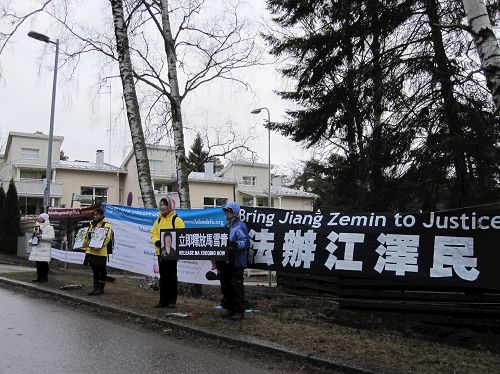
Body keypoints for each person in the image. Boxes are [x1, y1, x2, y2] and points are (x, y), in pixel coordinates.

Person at [217, 202, 250, 321]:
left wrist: (234, 244)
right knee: (226, 286)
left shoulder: (240, 226)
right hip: (226, 262)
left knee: (236, 286)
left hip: (237, 262)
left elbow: (246, 243)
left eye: (229, 211)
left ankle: (239, 311)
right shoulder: (226, 226)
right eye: (226, 211)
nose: (227, 213)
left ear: (235, 212)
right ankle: (229, 309)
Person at [150, 196, 185, 308]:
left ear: (169, 206)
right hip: (161, 253)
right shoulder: (158, 220)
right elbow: (153, 233)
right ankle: (162, 300)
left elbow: (181, 235)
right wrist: (157, 242)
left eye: (164, 204)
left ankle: (172, 301)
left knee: (172, 276)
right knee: (163, 277)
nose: (162, 207)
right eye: (161, 205)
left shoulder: (177, 220)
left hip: (172, 253)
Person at [83, 207, 113, 296]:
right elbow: (87, 236)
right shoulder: (91, 224)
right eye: (94, 214)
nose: (95, 216)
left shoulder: (106, 225)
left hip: (100, 252)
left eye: (96, 215)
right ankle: (95, 288)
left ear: (101, 215)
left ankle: (101, 288)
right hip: (91, 251)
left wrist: (99, 245)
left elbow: (107, 239)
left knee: (101, 270)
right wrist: (83, 244)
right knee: (95, 270)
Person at [28, 213, 55, 283]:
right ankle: (39, 277)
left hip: (44, 248)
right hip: (37, 247)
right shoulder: (36, 227)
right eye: (39, 218)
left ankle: (44, 278)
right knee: (38, 263)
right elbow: (34, 236)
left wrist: (42, 236)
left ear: (45, 219)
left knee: (44, 264)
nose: (39, 219)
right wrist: (31, 241)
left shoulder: (49, 227)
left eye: (41, 218)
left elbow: (52, 237)